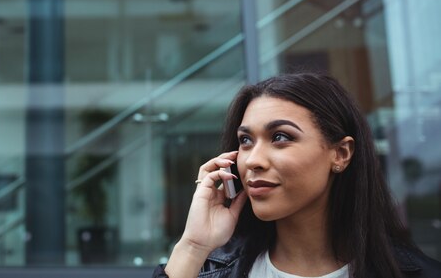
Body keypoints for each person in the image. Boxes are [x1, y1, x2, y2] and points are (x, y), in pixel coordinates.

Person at [153, 73, 441, 278]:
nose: (253, 160)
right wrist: (192, 247)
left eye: (280, 137)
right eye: (245, 141)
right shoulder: (209, 270)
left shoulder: (415, 272)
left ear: (340, 154)